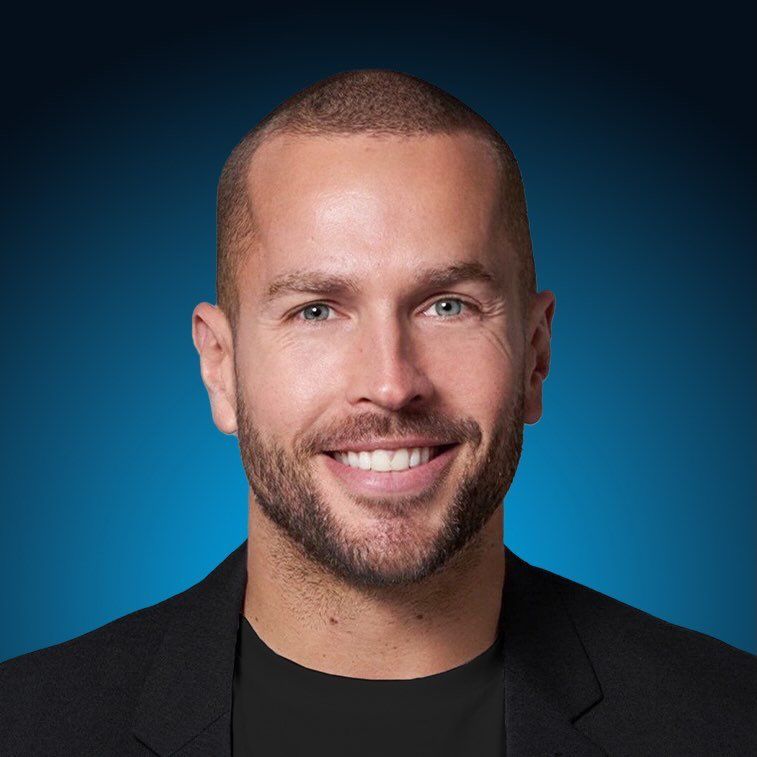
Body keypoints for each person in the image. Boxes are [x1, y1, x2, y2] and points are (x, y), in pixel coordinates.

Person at [1, 68, 755, 757]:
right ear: (220, 368)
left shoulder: (728, 721)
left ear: (534, 355)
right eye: (317, 310)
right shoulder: (25, 728)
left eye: (448, 305)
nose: (391, 384)